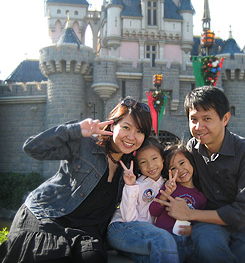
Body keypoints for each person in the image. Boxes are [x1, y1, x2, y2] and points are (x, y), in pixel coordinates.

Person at [0, 97, 152, 263]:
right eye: (126, 127)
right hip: (48, 216)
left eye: (139, 131)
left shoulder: (132, 166)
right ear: (112, 125)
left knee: (92, 258)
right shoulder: (85, 144)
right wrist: (76, 130)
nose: (132, 136)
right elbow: (33, 148)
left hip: (85, 231)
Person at [154, 86, 245, 263]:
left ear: (225, 119)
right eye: (193, 119)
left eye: (207, 118)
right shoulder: (191, 150)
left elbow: (243, 213)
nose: (199, 127)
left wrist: (190, 215)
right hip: (210, 223)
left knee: (244, 254)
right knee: (208, 244)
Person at [107, 137, 179, 263]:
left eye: (154, 158)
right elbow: (128, 219)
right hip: (121, 229)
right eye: (143, 162)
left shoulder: (166, 184)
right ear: (138, 166)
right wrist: (130, 186)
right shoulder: (137, 184)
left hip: (141, 237)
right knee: (164, 240)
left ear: (162, 158)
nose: (151, 165)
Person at [149, 143, 207, 263]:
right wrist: (166, 193)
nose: (179, 170)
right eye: (173, 168)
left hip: (187, 241)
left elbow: (199, 222)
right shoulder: (169, 188)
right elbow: (153, 211)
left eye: (182, 163)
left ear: (191, 162)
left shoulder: (201, 196)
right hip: (166, 239)